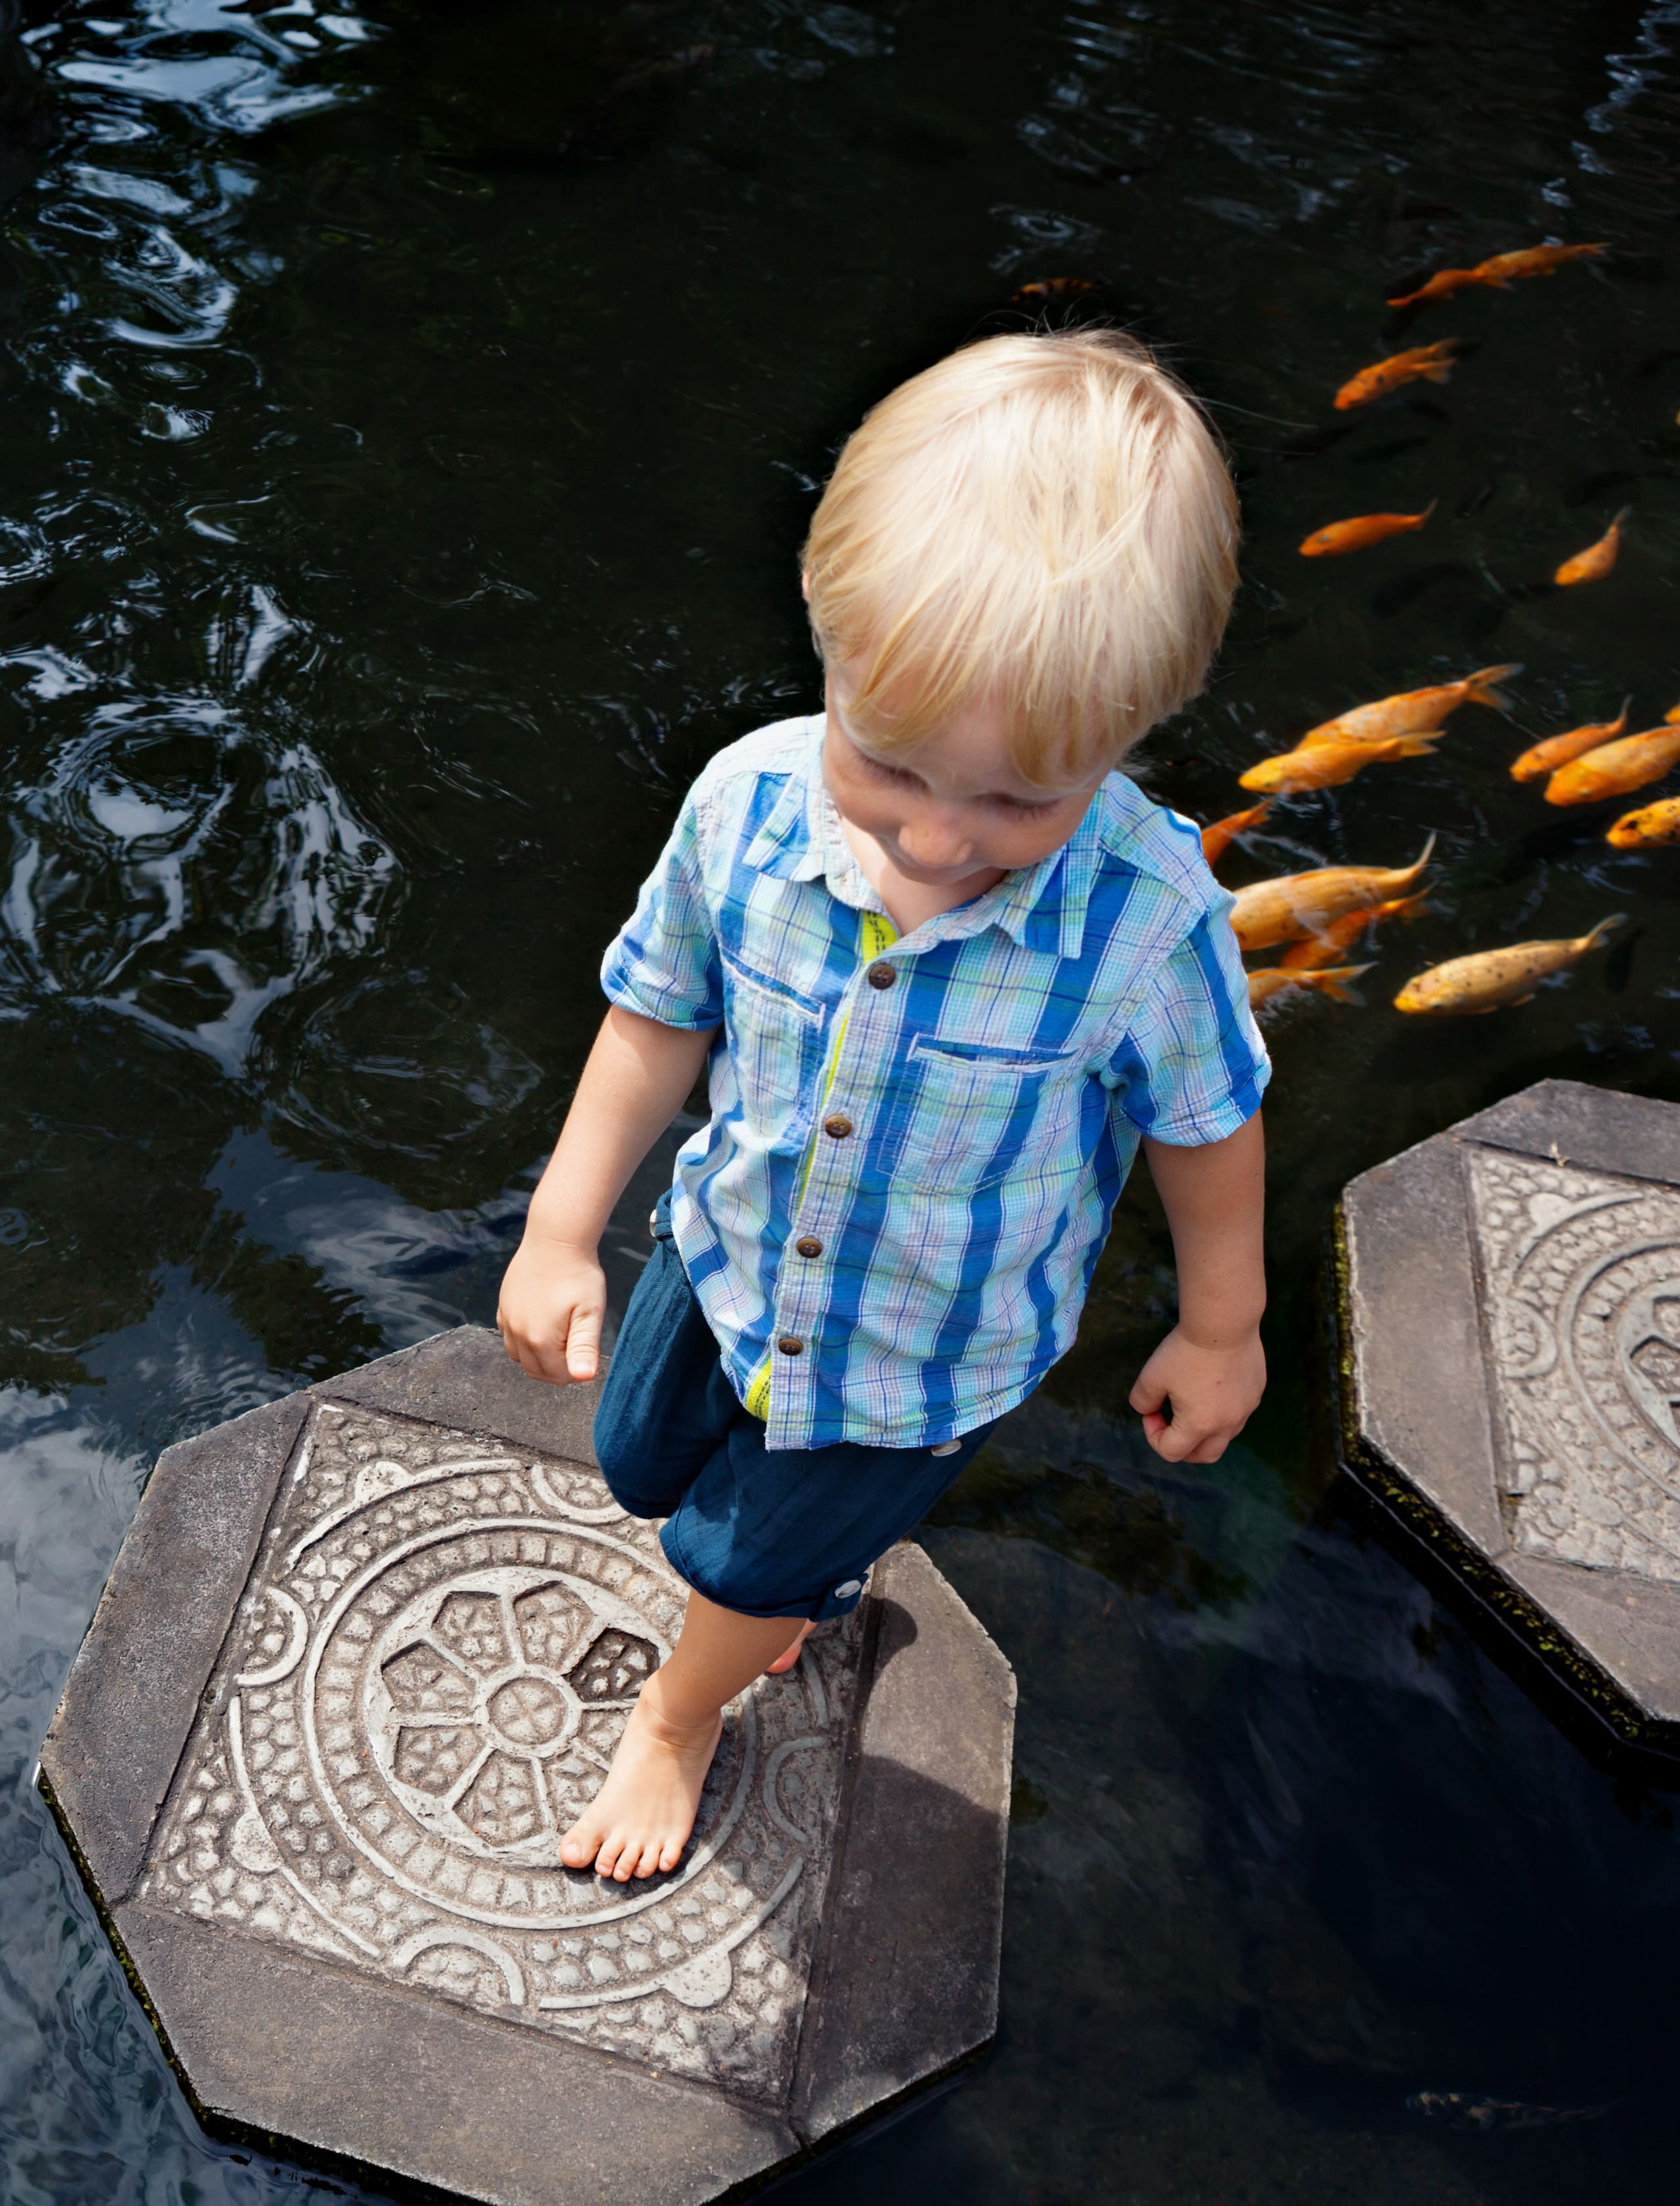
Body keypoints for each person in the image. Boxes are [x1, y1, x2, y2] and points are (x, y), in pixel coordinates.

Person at [498, 330, 1268, 1883]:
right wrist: (563, 1223)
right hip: (728, 1261)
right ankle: (786, 1587)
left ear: (1136, 725)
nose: (931, 837)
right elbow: (661, 1009)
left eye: (1014, 801)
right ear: (823, 634)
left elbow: (1207, 1122)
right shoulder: (747, 803)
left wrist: (1221, 1323)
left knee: (738, 1558)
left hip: (920, 1352)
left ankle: (684, 1706)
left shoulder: (1147, 922)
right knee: (646, 1466)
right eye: (892, 762)